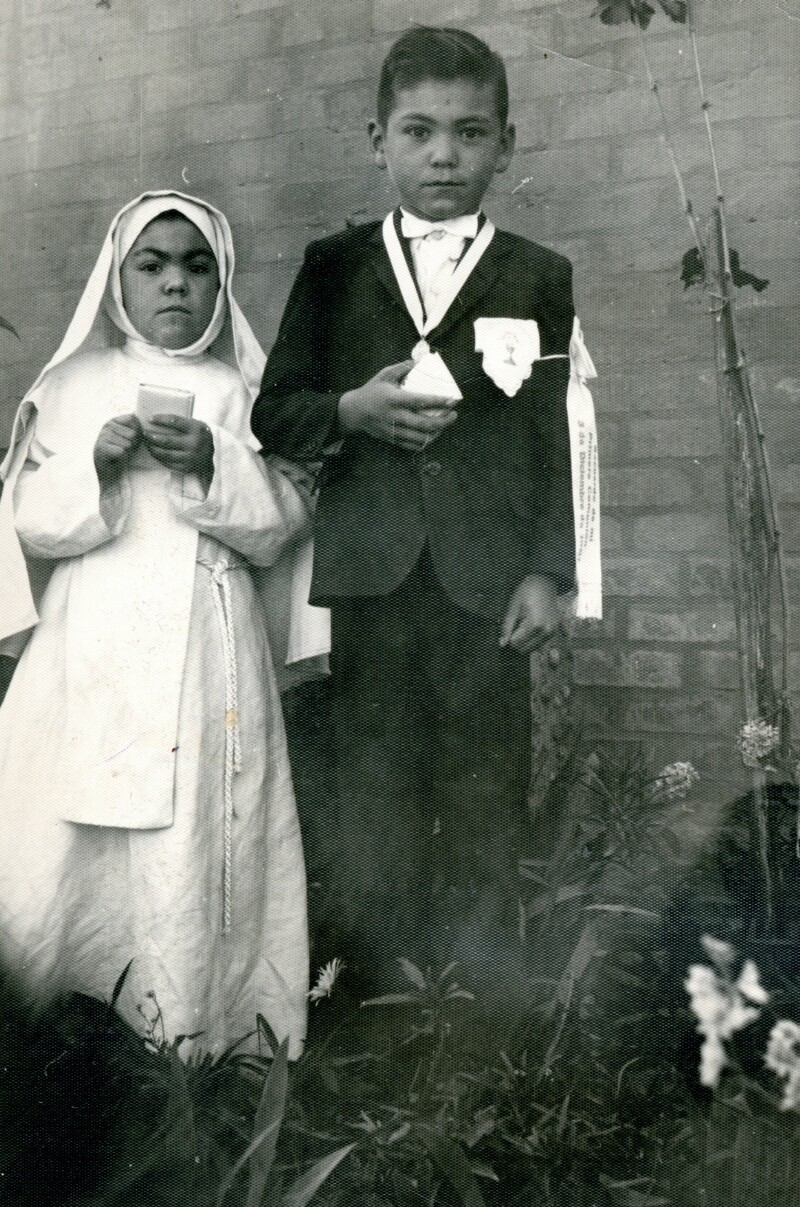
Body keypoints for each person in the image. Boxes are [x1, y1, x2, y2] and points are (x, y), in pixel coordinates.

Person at [252, 28, 592, 994]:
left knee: (486, 805)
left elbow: (560, 433)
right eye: (419, 131)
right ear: (379, 142)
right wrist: (350, 412)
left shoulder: (538, 273)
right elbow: (275, 410)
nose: (445, 155)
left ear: (506, 146)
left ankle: (478, 1026)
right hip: (374, 581)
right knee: (376, 806)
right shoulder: (334, 265)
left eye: (470, 133)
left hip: (488, 590)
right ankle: (376, 1012)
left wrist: (547, 571)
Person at [0, 191, 325, 1058]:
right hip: (86, 648)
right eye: (152, 266)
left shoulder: (246, 392)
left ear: (221, 283)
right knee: (60, 844)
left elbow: (284, 523)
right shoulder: (70, 388)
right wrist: (95, 468)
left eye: (196, 266)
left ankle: (194, 1039)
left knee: (193, 836)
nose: (175, 284)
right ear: (117, 282)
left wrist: (216, 463)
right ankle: (45, 1025)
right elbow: (29, 520)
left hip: (204, 651)